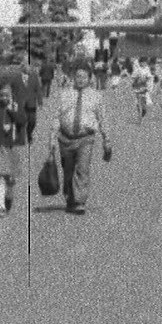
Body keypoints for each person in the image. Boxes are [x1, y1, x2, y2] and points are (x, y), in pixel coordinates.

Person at [49, 64, 111, 214]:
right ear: (73, 78)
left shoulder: (96, 96)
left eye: (84, 77)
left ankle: (79, 201)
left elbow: (102, 119)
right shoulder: (64, 94)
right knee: (68, 170)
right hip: (65, 138)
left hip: (86, 138)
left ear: (90, 79)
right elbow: (57, 116)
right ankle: (70, 197)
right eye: (78, 76)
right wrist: (52, 137)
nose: (80, 79)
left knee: (82, 169)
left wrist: (106, 139)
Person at [0, 82, 30, 216]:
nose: (4, 97)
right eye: (1, 95)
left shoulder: (16, 106)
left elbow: (22, 121)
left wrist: (11, 110)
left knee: (10, 178)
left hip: (12, 146)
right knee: (1, 175)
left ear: (11, 95)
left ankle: (8, 197)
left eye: (7, 95)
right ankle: (1, 205)